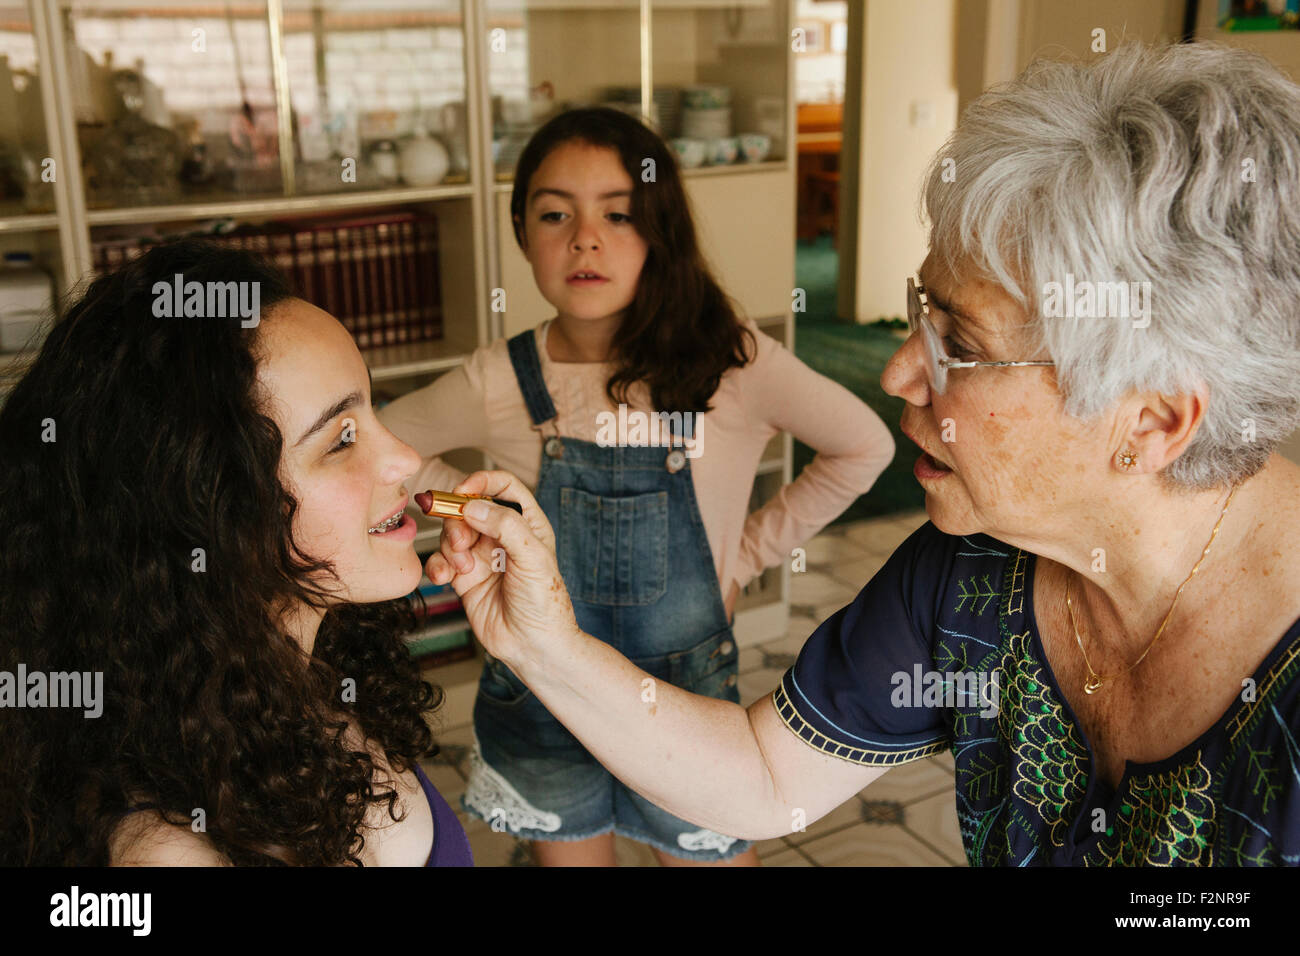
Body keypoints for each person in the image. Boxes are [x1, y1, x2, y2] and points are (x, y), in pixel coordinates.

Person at [419, 42, 1300, 865]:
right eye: (921, 312)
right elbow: (766, 778)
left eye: (958, 342)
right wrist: (541, 645)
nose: (898, 369)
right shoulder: (970, 574)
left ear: (1149, 423)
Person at [377, 107, 895, 867]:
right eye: (554, 214)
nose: (584, 238)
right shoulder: (500, 377)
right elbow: (388, 450)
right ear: (522, 233)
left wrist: (748, 554)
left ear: (661, 229)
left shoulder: (733, 361)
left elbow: (864, 446)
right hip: (542, 699)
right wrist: (483, 511)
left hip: (683, 703)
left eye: (618, 215)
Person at [0, 239, 471, 866]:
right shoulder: (170, 854)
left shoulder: (317, 671)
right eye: (341, 439)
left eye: (372, 409)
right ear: (208, 512)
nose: (406, 460)